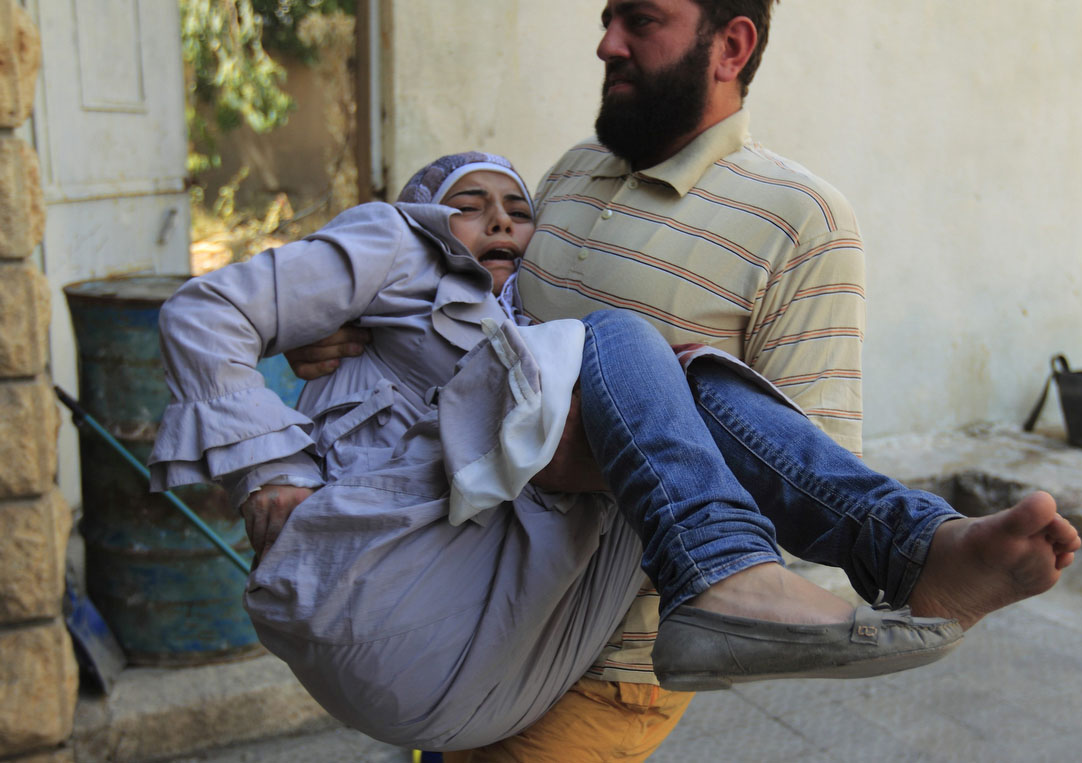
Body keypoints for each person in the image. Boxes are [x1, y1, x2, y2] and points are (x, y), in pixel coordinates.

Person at [283, 1, 1082, 759]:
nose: (606, 43)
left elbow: (799, 460)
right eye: (607, 19)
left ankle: (911, 548)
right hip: (467, 587)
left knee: (669, 370)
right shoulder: (566, 178)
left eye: (641, 20)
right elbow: (486, 323)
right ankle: (914, 545)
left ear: (730, 47)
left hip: (607, 654)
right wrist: (351, 333)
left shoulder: (801, 221)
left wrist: (557, 448)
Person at [149, 153, 973, 751]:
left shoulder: (526, 325)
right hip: (389, 593)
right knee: (622, 340)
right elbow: (202, 315)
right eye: (469, 203)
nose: (503, 217)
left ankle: (909, 544)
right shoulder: (395, 245)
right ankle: (800, 559)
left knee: (672, 374)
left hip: (498, 667)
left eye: (517, 204)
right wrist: (270, 468)